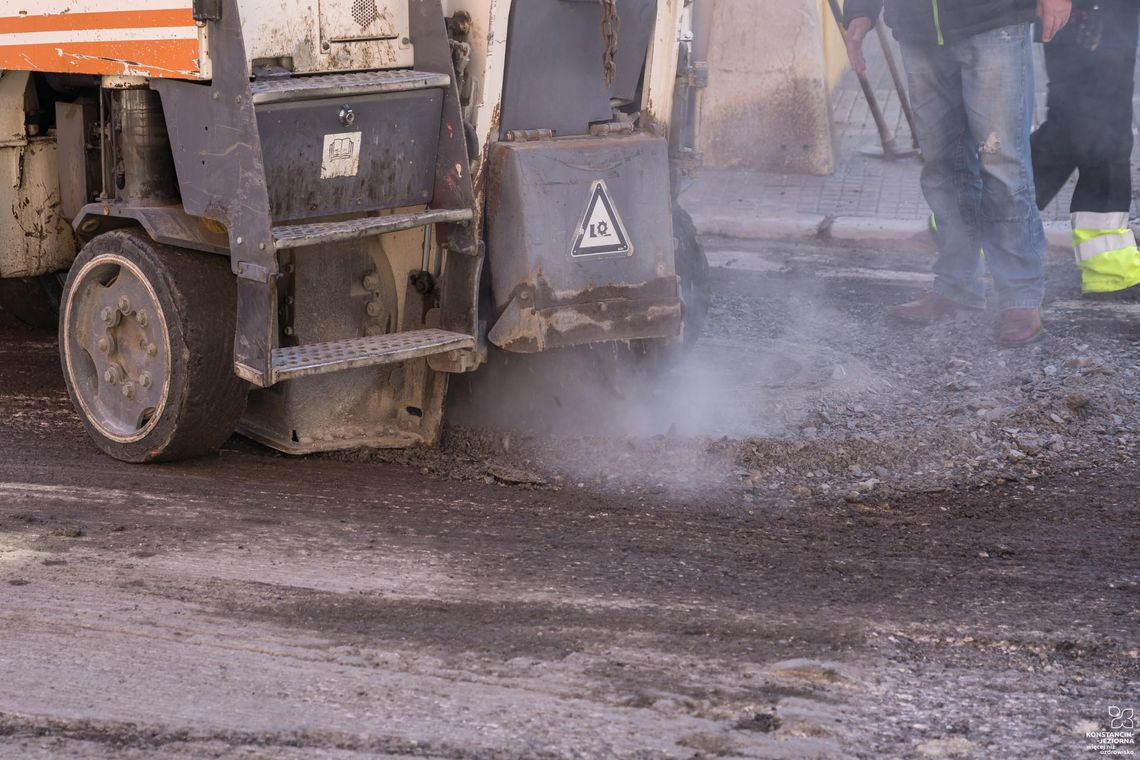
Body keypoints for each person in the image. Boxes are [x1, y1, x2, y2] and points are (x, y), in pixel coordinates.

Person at [844, 0, 1072, 346]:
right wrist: (861, 8)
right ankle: (956, 287)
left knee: (1003, 166)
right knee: (942, 167)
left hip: (994, 20)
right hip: (916, 28)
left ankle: (1021, 299)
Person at [1031, 0, 1140, 297]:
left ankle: (974, 219)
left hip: (1102, 14)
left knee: (1071, 132)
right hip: (1088, 13)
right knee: (1102, 136)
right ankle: (1109, 269)